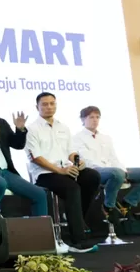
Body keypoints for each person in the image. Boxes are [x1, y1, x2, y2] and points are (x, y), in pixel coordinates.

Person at [25, 92, 100, 252]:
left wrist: (77, 161)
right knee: (72, 187)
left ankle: (76, 215)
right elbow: (36, 158)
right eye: (44, 104)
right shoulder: (31, 129)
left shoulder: (63, 127)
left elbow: (71, 152)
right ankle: (78, 241)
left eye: (52, 103)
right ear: (37, 107)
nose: (49, 107)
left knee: (92, 176)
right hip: (45, 174)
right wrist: (60, 170)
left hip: (65, 169)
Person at [73, 105, 140, 224]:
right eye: (91, 117)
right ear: (83, 119)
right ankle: (108, 206)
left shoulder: (106, 138)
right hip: (95, 171)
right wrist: (116, 171)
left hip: (115, 170)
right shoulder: (77, 138)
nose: (95, 120)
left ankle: (127, 202)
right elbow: (87, 160)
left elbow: (113, 157)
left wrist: (122, 170)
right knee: (116, 173)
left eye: (97, 117)